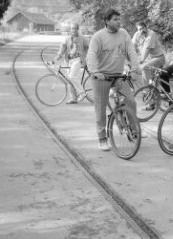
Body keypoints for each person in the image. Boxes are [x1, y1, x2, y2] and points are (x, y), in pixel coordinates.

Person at [87, 9, 141, 151]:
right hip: (101, 76)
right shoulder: (98, 37)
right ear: (107, 21)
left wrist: (135, 68)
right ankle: (102, 138)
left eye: (119, 19)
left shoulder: (123, 34)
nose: (119, 22)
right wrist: (95, 71)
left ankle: (134, 130)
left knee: (131, 100)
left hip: (118, 75)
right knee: (100, 108)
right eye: (115, 19)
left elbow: (131, 52)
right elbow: (91, 54)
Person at [54, 23, 89, 104]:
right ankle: (73, 98)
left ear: (78, 29)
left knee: (72, 76)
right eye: (72, 28)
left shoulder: (83, 38)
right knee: (70, 80)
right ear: (70, 30)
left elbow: (89, 47)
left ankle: (82, 93)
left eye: (75, 28)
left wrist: (86, 56)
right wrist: (59, 55)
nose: (74, 30)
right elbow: (63, 47)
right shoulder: (67, 39)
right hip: (69, 61)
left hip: (78, 59)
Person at [132, 21, 166, 94]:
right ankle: (153, 99)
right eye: (139, 29)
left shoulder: (151, 34)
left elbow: (147, 50)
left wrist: (141, 61)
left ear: (146, 27)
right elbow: (132, 47)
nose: (141, 31)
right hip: (149, 61)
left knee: (144, 67)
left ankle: (146, 91)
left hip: (158, 58)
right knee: (151, 81)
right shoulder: (137, 35)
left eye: (142, 28)